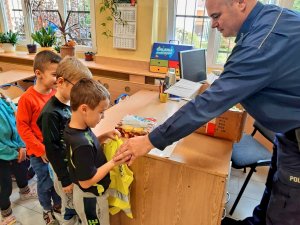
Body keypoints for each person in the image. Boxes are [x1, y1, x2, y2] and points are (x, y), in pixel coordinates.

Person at [114, 1, 300, 225]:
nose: (213, 25)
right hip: (288, 134)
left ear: (240, 3)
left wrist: (149, 140)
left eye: (216, 16)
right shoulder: (270, 19)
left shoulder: (261, 43)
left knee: (284, 213)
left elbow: (208, 104)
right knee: (272, 197)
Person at [63, 78, 130, 225]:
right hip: (90, 199)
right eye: (101, 112)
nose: (103, 116)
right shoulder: (81, 144)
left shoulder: (76, 127)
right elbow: (86, 182)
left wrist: (104, 136)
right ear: (84, 109)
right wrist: (114, 162)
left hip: (88, 196)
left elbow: (88, 148)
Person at [37, 57, 93, 225]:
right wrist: (65, 179)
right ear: (61, 82)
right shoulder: (50, 114)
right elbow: (52, 149)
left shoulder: (69, 104)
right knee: (69, 208)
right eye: (78, 88)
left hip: (72, 166)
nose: (81, 94)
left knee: (76, 204)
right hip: (62, 171)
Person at [16, 50, 62, 225]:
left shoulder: (54, 94)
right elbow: (23, 128)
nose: (58, 80)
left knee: (56, 179)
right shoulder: (27, 99)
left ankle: (57, 203)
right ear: (38, 74)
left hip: (55, 149)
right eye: (54, 75)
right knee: (45, 182)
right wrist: (41, 149)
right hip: (39, 152)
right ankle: (46, 209)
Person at [0, 93, 38, 225]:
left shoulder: (3, 99)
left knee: (22, 170)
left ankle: (25, 191)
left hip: (16, 147)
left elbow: (18, 122)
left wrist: (22, 145)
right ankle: (5, 212)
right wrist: (13, 152)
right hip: (3, 153)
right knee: (4, 186)